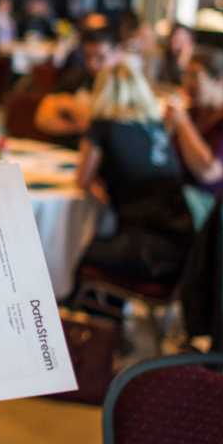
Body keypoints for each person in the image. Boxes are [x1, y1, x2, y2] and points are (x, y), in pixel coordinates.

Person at [75, 62, 194, 282]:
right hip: (184, 246)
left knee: (71, 250)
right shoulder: (156, 125)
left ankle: (76, 311)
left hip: (144, 250)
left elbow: (82, 180)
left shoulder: (103, 126)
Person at [164, 46, 223, 196]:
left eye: (194, 76)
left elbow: (208, 172)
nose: (187, 83)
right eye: (186, 75)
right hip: (179, 194)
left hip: (209, 206)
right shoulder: (194, 112)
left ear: (218, 81)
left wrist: (182, 124)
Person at [34, 28, 115, 143]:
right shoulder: (76, 78)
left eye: (100, 58)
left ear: (116, 54)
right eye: (87, 57)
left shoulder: (124, 87)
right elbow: (42, 118)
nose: (92, 64)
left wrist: (69, 106)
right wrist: (77, 127)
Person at [159, 22, 195, 87]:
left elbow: (184, 86)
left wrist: (182, 61)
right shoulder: (163, 58)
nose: (178, 45)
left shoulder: (196, 65)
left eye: (182, 40)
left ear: (190, 44)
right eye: (175, 39)